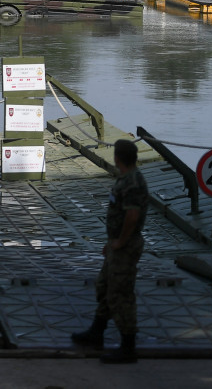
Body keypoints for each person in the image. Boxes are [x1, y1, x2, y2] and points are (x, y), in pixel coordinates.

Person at [71, 138, 148, 364]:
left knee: (120, 294)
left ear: (117, 158)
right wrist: (111, 242)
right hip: (118, 245)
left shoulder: (133, 182)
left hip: (126, 246)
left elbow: (132, 216)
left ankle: (128, 346)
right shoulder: (127, 178)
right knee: (105, 285)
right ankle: (96, 332)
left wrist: (120, 242)